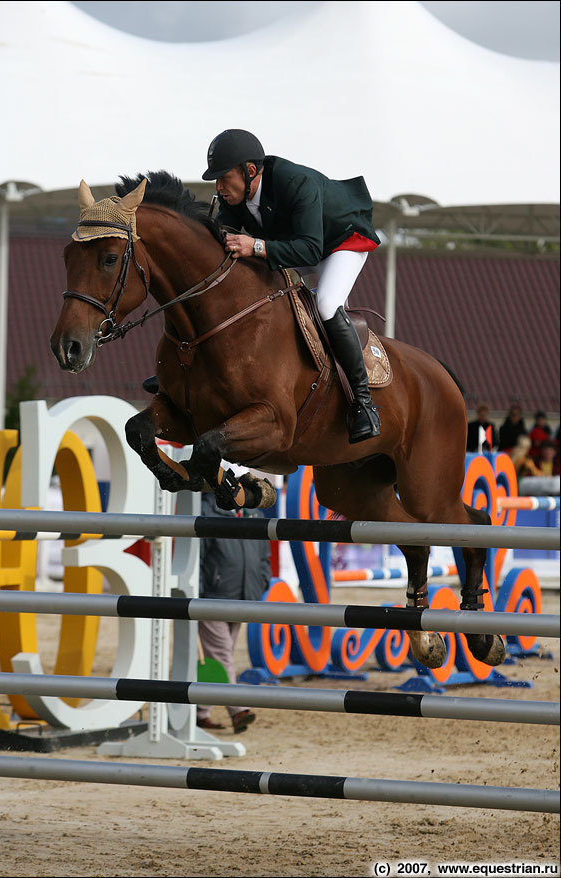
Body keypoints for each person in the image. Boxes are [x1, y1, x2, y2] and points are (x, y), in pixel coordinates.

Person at [201, 128, 382, 445]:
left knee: (325, 304)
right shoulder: (238, 195)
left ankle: (364, 404)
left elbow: (311, 251)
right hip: (297, 246)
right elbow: (221, 237)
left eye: (222, 178)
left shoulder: (295, 182)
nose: (218, 187)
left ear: (250, 171)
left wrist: (256, 247)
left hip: (340, 244)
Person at [197, 484, 272, 734]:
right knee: (222, 654)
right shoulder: (207, 510)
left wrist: (261, 581)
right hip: (212, 597)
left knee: (219, 655)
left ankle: (199, 711)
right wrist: (194, 595)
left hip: (242, 595)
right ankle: (237, 710)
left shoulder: (254, 514)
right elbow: (196, 556)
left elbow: (263, 555)